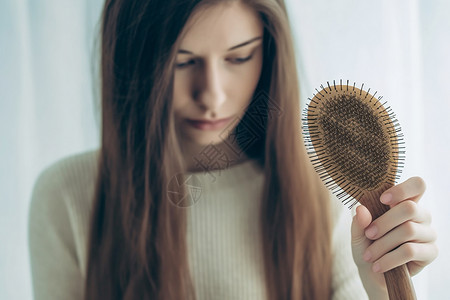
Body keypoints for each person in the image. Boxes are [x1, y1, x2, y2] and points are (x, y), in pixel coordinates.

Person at [28, 0, 438, 299]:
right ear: (134, 61)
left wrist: (381, 288)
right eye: (182, 62)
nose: (212, 95)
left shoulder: (319, 193)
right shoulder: (67, 196)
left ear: (270, 52)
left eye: (239, 57)